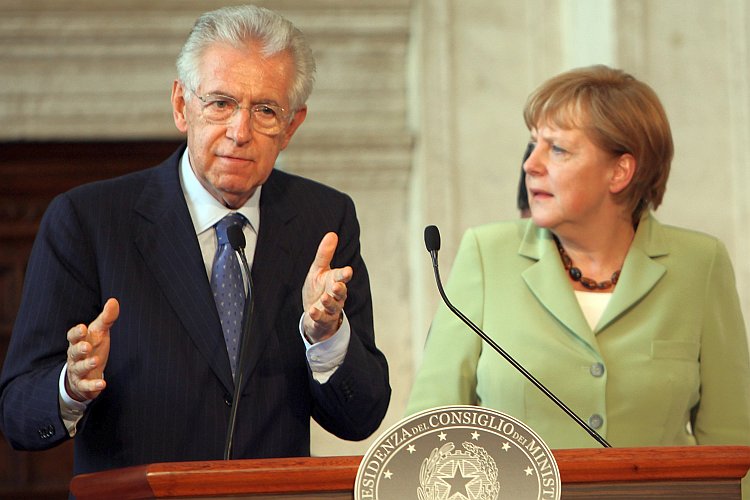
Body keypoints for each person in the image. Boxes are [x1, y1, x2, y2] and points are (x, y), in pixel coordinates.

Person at [0, 4, 390, 477]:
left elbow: (361, 417)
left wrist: (326, 338)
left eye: (265, 110)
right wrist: (72, 386)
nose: (239, 132)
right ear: (181, 105)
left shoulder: (324, 221)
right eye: (220, 103)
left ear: (292, 126)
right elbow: (18, 413)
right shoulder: (88, 220)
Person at [407, 65, 750, 452]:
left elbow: (731, 443)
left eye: (557, 149)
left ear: (619, 171)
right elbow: (427, 434)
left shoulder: (700, 265)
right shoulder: (487, 255)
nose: (531, 164)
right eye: (534, 144)